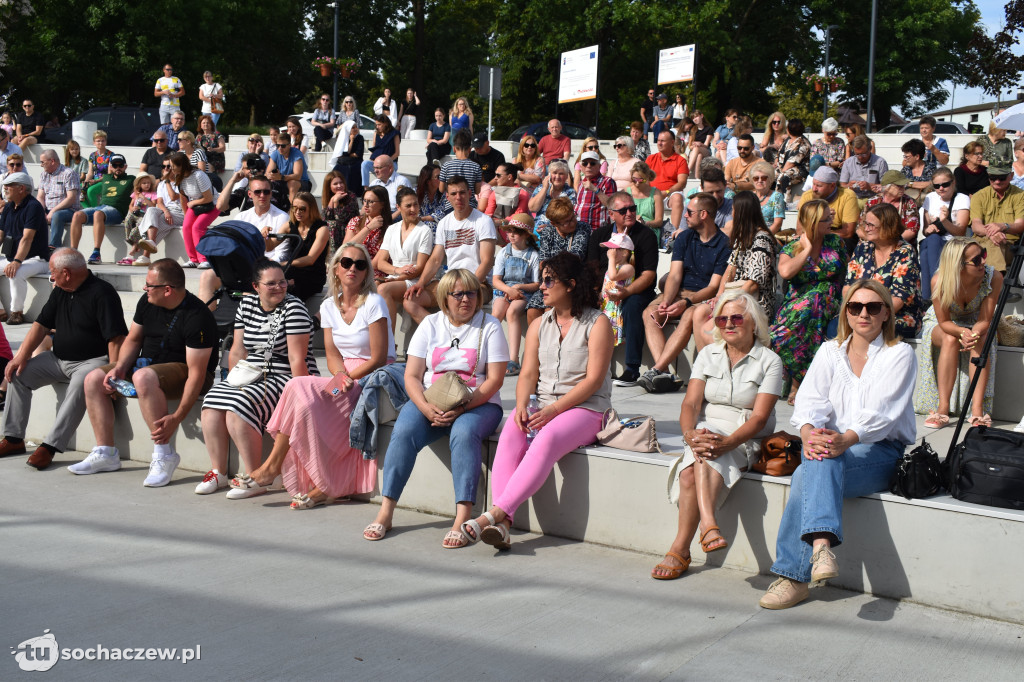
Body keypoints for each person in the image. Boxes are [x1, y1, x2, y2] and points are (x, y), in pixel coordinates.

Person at [759, 280, 916, 610]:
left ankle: (793, 576)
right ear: (846, 311)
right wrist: (808, 432)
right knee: (814, 462)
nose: (863, 313)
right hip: (833, 447)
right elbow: (809, 402)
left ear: (886, 313)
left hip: (881, 451)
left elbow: (883, 414)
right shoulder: (830, 351)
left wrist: (846, 438)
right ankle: (820, 550)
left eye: (873, 307)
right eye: (855, 307)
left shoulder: (899, 354)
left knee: (812, 465)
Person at [462, 252, 613, 551]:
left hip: (587, 408)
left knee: (547, 438)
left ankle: (492, 515)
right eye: (542, 280)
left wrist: (554, 409)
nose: (541, 286)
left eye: (548, 281)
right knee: (510, 435)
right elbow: (528, 373)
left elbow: (593, 381)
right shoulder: (538, 324)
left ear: (570, 285)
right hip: (543, 404)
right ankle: (504, 524)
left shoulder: (598, 324)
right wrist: (520, 406)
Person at [229, 244, 394, 505]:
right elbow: (331, 354)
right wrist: (340, 376)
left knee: (299, 389)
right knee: (303, 402)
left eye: (360, 265)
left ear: (366, 273)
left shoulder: (374, 302)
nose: (353, 268)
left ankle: (275, 468)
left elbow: (379, 357)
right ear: (336, 268)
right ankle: (319, 482)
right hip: (343, 374)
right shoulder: (329, 305)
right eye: (347, 262)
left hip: (371, 376)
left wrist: (347, 378)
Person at [364, 268, 507, 545]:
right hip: (432, 400)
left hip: (479, 403)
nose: (466, 299)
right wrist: (425, 407)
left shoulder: (490, 326)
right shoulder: (430, 325)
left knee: (463, 432)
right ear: (444, 297)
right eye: (458, 294)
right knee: (404, 430)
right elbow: (412, 376)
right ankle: (386, 511)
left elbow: (495, 380)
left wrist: (463, 409)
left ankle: (462, 516)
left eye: (471, 293)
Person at [651, 290, 783, 579]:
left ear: (754, 323)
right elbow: (691, 403)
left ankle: (680, 548)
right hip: (707, 433)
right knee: (696, 460)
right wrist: (689, 434)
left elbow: (760, 417)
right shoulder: (708, 354)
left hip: (745, 435)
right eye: (722, 319)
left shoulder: (770, 360)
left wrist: (729, 442)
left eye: (737, 317)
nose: (728, 324)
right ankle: (707, 525)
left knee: (691, 470)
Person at [73, 259, 218, 486]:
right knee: (94, 377)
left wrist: (177, 417)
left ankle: (164, 455)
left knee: (144, 377)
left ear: (167, 290)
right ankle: (105, 453)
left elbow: (197, 374)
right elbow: (133, 339)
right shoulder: (148, 301)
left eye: (149, 285)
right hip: (147, 365)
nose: (144, 289)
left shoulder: (197, 317)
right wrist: (119, 368)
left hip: (185, 372)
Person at [198, 259, 318, 494]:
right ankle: (219, 472)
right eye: (271, 283)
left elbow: (297, 359)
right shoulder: (247, 304)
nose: (278, 288)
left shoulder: (294, 309)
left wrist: (301, 397)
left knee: (238, 405)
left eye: (282, 282)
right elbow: (238, 349)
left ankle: (254, 476)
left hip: (285, 375)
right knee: (212, 401)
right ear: (256, 287)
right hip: (251, 371)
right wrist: (232, 381)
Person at [0, 248, 126, 469]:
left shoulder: (102, 293)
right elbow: (40, 326)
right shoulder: (60, 290)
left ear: (66, 273)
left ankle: (50, 447)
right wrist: (21, 357)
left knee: (80, 384)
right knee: (18, 374)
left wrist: (113, 374)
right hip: (57, 359)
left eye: (53, 273)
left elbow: (116, 338)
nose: (51, 278)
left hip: (93, 361)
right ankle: (13, 439)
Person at [640, 192, 730, 392]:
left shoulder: (724, 244)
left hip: (703, 297)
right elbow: (674, 276)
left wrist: (687, 302)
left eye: (689, 212)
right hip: (680, 291)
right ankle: (662, 372)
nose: (685, 215)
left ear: (704, 214)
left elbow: (713, 287)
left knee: (690, 315)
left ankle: (657, 370)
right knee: (650, 312)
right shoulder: (685, 236)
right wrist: (668, 300)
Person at [914, 238, 1000, 429]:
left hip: (977, 322)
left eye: (983, 254)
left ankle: (977, 410)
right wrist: (962, 331)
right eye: (977, 260)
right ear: (958, 265)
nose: (984, 262)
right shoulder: (940, 281)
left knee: (982, 338)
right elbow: (944, 322)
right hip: (943, 323)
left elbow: (985, 320)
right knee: (950, 338)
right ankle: (942, 408)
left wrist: (972, 333)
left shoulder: (994, 277)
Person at [770, 199, 847, 405]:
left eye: (830, 218)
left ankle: (797, 384)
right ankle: (798, 383)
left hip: (828, 297)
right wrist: (806, 249)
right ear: (812, 222)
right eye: (825, 220)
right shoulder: (793, 247)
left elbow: (841, 275)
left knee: (816, 302)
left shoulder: (835, 242)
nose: (831, 222)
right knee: (809, 315)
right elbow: (785, 272)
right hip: (798, 303)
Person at [689, 191, 778, 355]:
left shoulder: (762, 240)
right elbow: (730, 269)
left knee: (709, 331)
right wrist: (719, 295)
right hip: (735, 297)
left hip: (755, 302)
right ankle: (706, 367)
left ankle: (722, 368)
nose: (731, 214)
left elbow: (752, 284)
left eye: (734, 211)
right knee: (700, 312)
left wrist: (725, 302)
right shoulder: (742, 238)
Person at [588, 192, 660, 386]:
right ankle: (590, 367)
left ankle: (632, 369)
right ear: (611, 214)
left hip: (635, 290)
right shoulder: (600, 235)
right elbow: (592, 268)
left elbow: (648, 275)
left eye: (632, 209)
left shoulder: (646, 235)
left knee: (632, 305)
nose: (629, 213)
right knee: (584, 304)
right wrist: (595, 293)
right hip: (605, 290)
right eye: (623, 210)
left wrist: (626, 292)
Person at [404, 176, 497, 323]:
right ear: (447, 197)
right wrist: (420, 283)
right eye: (453, 194)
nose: (458, 197)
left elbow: (487, 261)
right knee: (410, 300)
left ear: (470, 194)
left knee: (457, 300)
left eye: (462, 192)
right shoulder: (444, 223)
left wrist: (466, 287)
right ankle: (438, 332)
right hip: (450, 282)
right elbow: (435, 259)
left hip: (479, 284)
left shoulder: (483, 221)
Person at [844, 203, 923, 339]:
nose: (866, 229)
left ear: (888, 226)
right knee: (835, 325)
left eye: (871, 225)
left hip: (895, 315)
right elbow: (848, 287)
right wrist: (854, 313)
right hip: (860, 313)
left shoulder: (905, 252)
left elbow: (899, 299)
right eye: (865, 224)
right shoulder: (863, 247)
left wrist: (871, 316)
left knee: (870, 330)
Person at [375, 187, 434, 330]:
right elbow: (380, 263)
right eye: (408, 205)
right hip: (395, 275)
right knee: (371, 289)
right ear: (398, 207)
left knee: (383, 289)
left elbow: (419, 267)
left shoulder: (424, 230)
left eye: (416, 204)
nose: (413, 209)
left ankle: (388, 343)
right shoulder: (392, 229)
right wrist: (397, 271)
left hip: (413, 279)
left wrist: (396, 278)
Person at [526, 197, 591, 324]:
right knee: (532, 311)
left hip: (571, 283)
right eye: (566, 222)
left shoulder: (583, 228)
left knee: (550, 311)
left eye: (573, 217)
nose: (573, 223)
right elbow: (543, 262)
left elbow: (575, 257)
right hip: (550, 281)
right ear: (554, 223)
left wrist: (552, 270)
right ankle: (538, 343)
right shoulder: (548, 231)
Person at [0, 173, 53, 324]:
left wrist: (17, 261)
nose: (5, 188)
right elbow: (0, 235)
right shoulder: (9, 206)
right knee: (13, 268)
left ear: (21, 188)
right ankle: (1, 311)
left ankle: (17, 312)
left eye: (9, 186)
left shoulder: (33, 207)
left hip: (37, 259)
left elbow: (27, 238)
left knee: (16, 273)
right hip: (13, 258)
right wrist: (14, 260)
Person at [491, 214, 540, 374]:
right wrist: (509, 290)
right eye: (509, 231)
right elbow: (496, 280)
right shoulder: (504, 252)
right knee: (496, 313)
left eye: (516, 232)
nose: (511, 235)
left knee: (512, 312)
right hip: (504, 289)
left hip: (523, 291)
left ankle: (514, 359)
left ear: (526, 234)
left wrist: (519, 287)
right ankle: (493, 355)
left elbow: (536, 284)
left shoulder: (533, 255)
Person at [68, 154, 134, 264]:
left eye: (120, 165)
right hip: (102, 208)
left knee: (98, 213)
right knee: (77, 215)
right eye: (115, 165)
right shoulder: (107, 178)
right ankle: (73, 252)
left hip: (117, 211)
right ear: (111, 166)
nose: (118, 167)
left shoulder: (131, 179)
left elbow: (145, 183)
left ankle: (96, 253)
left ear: (125, 166)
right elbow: (97, 180)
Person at [919, 166, 970, 300]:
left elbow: (960, 232)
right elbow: (925, 230)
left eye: (945, 184)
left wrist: (944, 221)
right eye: (936, 186)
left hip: (952, 242)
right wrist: (928, 230)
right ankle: (936, 293)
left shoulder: (962, 198)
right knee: (932, 239)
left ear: (953, 182)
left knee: (925, 254)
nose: (941, 188)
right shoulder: (930, 198)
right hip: (933, 242)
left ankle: (930, 297)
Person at [968, 164, 1024, 272]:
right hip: (981, 243)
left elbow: (1020, 225)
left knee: (995, 244)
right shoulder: (979, 196)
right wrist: (993, 233)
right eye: (993, 178)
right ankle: (995, 282)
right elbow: (976, 225)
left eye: (1002, 178)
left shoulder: (1020, 195)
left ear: (1011, 176)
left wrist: (1003, 226)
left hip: (1009, 244)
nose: (997, 181)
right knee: (993, 243)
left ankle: (991, 284)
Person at [168, 151, 216, 268]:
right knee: (186, 227)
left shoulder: (199, 175)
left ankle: (203, 259)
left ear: (181, 166)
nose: (171, 169)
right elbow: (183, 198)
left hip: (213, 204)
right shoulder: (179, 177)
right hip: (195, 205)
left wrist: (193, 202)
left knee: (197, 227)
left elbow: (209, 198)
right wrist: (186, 216)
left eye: (173, 166)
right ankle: (193, 259)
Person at [133, 159, 185, 265]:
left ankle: (146, 256)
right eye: (163, 166)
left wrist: (166, 181)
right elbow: (160, 203)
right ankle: (151, 242)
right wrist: (166, 211)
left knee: (159, 221)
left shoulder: (182, 181)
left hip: (181, 212)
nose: (166, 169)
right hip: (167, 211)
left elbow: (173, 197)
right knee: (151, 210)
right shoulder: (161, 184)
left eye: (168, 166)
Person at [285, 193, 330, 302]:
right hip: (293, 272)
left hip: (312, 275)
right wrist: (266, 235)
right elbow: (269, 246)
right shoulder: (290, 225)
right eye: (294, 208)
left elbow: (310, 259)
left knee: (291, 290)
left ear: (312, 209)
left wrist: (284, 264)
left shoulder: (321, 228)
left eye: (302, 209)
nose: (297, 212)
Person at [799, 167, 860, 246]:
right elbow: (800, 229)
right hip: (812, 235)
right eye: (813, 184)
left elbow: (848, 232)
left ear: (832, 185)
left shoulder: (848, 196)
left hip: (837, 237)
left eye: (819, 186)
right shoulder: (807, 196)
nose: (814, 189)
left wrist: (823, 233)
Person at [35, 149, 81, 250]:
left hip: (69, 209)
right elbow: (40, 197)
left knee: (57, 215)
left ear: (52, 161)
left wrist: (53, 211)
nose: (41, 165)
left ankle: (54, 246)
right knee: (32, 213)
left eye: (42, 162)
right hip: (48, 209)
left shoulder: (68, 173)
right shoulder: (44, 175)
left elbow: (71, 198)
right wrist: (41, 211)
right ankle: (34, 247)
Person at [860, 171, 920, 244]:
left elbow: (911, 231)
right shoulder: (873, 202)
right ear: (887, 187)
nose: (903, 188)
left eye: (904, 185)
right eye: (899, 186)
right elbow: (860, 228)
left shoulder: (909, 203)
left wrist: (888, 243)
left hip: (899, 244)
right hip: (873, 242)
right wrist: (875, 241)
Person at [346, 186, 391, 280]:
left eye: (370, 202)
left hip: (374, 271)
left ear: (382, 204)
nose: (365, 205)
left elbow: (376, 263)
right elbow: (346, 248)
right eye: (364, 200)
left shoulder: (390, 229)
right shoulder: (355, 221)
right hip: (353, 267)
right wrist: (368, 228)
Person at [599, 231, 634, 346]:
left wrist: (611, 259)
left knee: (607, 344)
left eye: (613, 250)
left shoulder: (628, 268)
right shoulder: (613, 267)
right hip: (606, 308)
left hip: (616, 310)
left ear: (624, 252)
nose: (609, 252)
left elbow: (613, 276)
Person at [117, 173, 158, 264]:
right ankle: (131, 242)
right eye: (144, 183)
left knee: (137, 228)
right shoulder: (136, 194)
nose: (147, 185)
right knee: (127, 220)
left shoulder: (153, 194)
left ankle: (134, 245)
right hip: (135, 213)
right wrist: (132, 209)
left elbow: (153, 205)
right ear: (139, 185)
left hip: (144, 215)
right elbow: (131, 205)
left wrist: (144, 198)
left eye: (148, 183)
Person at [573, 151, 617, 230]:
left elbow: (611, 205)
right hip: (580, 229)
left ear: (599, 166)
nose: (588, 166)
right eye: (585, 163)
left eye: (592, 163)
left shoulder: (607, 181)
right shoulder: (580, 184)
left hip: (598, 229)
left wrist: (595, 190)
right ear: (581, 167)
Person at [528, 160, 576, 231]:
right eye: (554, 173)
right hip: (537, 227)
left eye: (561, 174)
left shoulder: (570, 192)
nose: (557, 177)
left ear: (566, 177)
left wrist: (550, 227)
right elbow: (532, 208)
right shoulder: (541, 188)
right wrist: (544, 189)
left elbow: (566, 216)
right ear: (549, 175)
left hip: (558, 229)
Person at [840, 135, 888, 203]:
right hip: (853, 199)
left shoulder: (880, 162)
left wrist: (870, 186)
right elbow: (842, 186)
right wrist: (849, 186)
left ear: (870, 148)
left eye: (864, 154)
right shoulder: (848, 162)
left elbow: (886, 187)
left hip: (874, 199)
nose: (860, 157)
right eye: (857, 154)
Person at [321, 170, 359, 255]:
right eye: (335, 184)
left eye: (341, 183)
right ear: (329, 186)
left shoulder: (351, 196)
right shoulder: (328, 198)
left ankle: (334, 254)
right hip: (334, 230)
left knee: (332, 225)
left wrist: (336, 202)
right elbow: (324, 219)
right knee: (328, 226)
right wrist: (332, 200)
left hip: (350, 227)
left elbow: (340, 218)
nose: (339, 186)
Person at [268, 133, 312, 204]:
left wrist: (281, 177)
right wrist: (272, 175)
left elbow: (297, 176)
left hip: (302, 183)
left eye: (283, 146)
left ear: (289, 145)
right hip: (283, 181)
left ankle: (292, 211)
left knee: (292, 183)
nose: (280, 148)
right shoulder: (275, 154)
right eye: (278, 145)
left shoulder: (297, 154)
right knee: (266, 183)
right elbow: (267, 173)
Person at [360, 115, 400, 190]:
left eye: (379, 124)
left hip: (391, 163)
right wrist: (373, 160)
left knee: (386, 168)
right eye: (376, 125)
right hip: (377, 164)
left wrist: (386, 162)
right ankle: (366, 188)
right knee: (364, 164)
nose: (377, 127)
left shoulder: (395, 133)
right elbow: (374, 149)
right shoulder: (376, 134)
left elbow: (397, 153)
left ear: (386, 124)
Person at [646, 129, 689, 197]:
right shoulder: (651, 159)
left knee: (677, 197)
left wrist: (667, 192)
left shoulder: (681, 160)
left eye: (662, 141)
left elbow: (682, 183)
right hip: (651, 195)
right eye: (658, 140)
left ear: (672, 143)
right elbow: (644, 178)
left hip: (671, 195)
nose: (659, 143)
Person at [369, 155, 412, 221]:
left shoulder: (402, 182)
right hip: (378, 213)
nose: (375, 171)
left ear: (390, 168)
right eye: (374, 168)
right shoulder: (374, 183)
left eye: (378, 168)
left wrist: (388, 220)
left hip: (396, 214)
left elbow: (406, 205)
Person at [775, 118, 811, 196]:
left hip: (799, 171)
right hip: (783, 167)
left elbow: (790, 164)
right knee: (767, 173)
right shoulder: (788, 140)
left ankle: (779, 202)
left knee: (783, 177)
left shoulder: (803, 144)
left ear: (788, 129)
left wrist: (779, 172)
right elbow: (778, 154)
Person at [625, 161, 664, 234]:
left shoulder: (656, 193)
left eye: (641, 180)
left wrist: (645, 223)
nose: (637, 183)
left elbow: (659, 221)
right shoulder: (626, 191)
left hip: (649, 229)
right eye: (634, 179)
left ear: (647, 178)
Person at [330, 121, 364, 196]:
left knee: (351, 170)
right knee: (336, 171)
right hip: (343, 162)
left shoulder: (360, 138)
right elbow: (342, 153)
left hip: (356, 161)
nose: (355, 129)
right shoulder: (343, 137)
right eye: (353, 128)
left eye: (356, 127)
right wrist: (351, 141)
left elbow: (358, 154)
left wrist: (348, 154)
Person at [751, 161, 785, 233]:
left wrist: (763, 236)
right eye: (756, 178)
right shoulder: (749, 197)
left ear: (770, 179)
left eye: (764, 178)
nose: (760, 181)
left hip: (770, 236)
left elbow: (777, 223)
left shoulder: (777, 197)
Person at [685, 111, 715, 175]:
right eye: (693, 118)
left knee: (697, 149)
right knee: (699, 155)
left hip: (706, 150)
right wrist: (695, 145)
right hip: (693, 151)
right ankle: (697, 177)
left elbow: (706, 145)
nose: (695, 119)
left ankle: (687, 170)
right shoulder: (692, 130)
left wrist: (700, 144)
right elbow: (690, 146)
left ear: (701, 116)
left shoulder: (708, 129)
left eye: (696, 117)